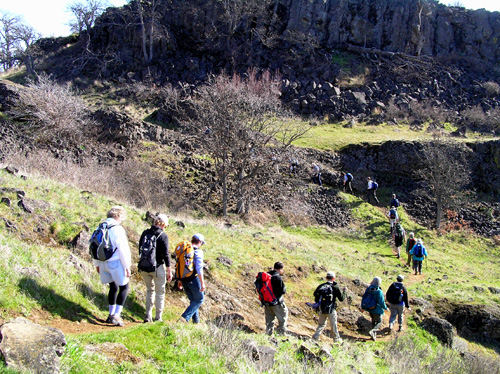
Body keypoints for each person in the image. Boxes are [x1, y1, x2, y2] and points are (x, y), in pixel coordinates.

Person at [94, 206, 131, 327]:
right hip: (115, 262)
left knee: (112, 287)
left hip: (103, 262)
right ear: (118, 216)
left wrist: (97, 264)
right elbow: (123, 249)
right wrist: (127, 266)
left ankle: (110, 314)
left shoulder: (101, 226)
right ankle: (117, 315)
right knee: (124, 287)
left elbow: (95, 245)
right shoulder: (117, 229)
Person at [138, 214, 172, 323]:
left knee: (149, 290)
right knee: (160, 292)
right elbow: (166, 254)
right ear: (163, 224)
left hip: (144, 266)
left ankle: (148, 315)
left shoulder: (145, 233)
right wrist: (169, 270)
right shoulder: (163, 235)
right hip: (157, 267)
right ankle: (158, 317)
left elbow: (140, 248)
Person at [177, 233, 206, 323]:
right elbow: (199, 268)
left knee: (193, 300)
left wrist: (179, 280)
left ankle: (196, 322)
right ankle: (184, 318)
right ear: (199, 242)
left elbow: (179, 264)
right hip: (193, 279)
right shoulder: (198, 252)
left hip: (183, 278)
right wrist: (202, 283)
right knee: (199, 299)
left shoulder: (185, 250)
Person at [312, 271, 346, 343]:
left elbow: (315, 294)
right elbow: (341, 298)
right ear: (333, 278)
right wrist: (344, 292)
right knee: (333, 325)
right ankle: (336, 339)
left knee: (321, 324)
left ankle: (315, 337)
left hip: (322, 308)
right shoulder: (335, 287)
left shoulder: (321, 286)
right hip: (331, 309)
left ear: (326, 278)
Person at [265, 261, 288, 335]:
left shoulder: (267, 275)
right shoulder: (277, 277)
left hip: (267, 302)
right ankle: (281, 334)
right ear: (280, 269)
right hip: (277, 302)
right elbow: (282, 291)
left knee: (269, 320)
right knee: (283, 318)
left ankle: (268, 334)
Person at [363, 277, 387, 341]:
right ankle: (373, 331)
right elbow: (381, 302)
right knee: (379, 322)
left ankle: (373, 337)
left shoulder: (368, 289)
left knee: (373, 321)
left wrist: (363, 307)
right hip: (377, 309)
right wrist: (385, 308)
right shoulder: (379, 291)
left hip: (370, 308)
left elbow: (364, 297)